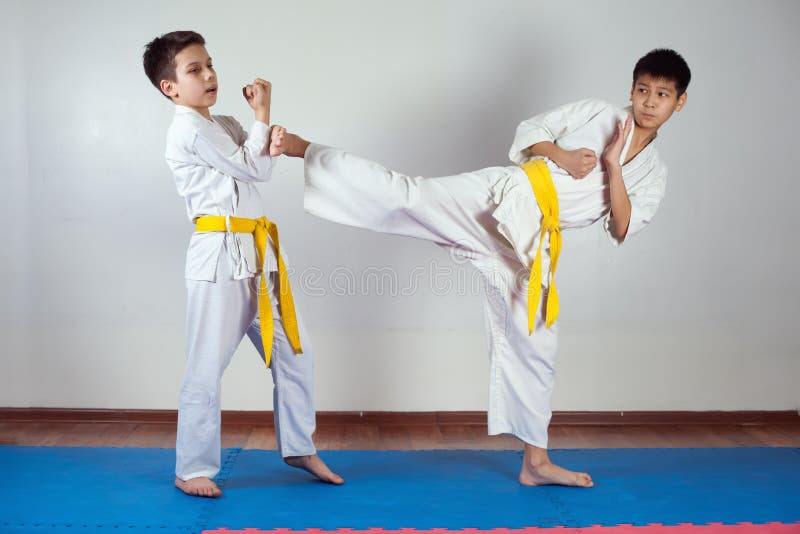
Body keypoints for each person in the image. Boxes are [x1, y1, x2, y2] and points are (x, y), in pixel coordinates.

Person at [278, 48, 689, 488]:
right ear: (631, 89)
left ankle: (536, 462)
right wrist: (562, 157)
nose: (649, 101)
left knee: (536, 343)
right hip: (503, 196)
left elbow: (623, 225)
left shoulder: (654, 172)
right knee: (408, 196)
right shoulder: (600, 113)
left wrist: (612, 166)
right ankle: (303, 149)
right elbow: (530, 132)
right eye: (643, 89)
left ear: (678, 102)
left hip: (533, 240)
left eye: (662, 94)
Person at [142, 30, 343, 498]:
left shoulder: (226, 122)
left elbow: (262, 168)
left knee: (295, 351)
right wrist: (263, 118)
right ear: (169, 87)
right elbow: (252, 166)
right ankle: (191, 468)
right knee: (206, 366)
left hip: (260, 254)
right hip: (218, 258)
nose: (210, 74)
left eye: (209, 64)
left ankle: (298, 446)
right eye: (194, 70)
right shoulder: (186, 130)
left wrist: (264, 136)